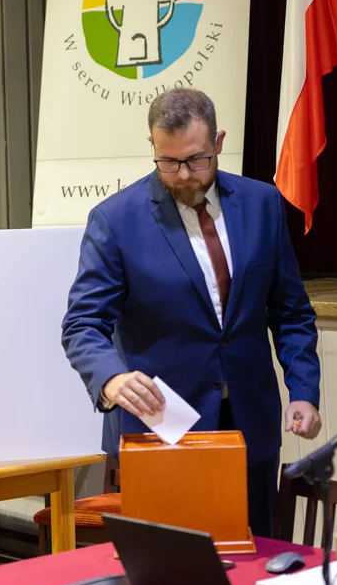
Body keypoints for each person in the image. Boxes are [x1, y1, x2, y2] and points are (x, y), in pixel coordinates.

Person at [62, 88, 321, 537]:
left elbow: (291, 311)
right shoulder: (116, 220)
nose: (183, 175)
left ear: (218, 142)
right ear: (152, 145)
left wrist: (303, 390)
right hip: (164, 431)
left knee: (257, 557)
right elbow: (82, 323)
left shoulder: (262, 204)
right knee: (173, 569)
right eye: (169, 162)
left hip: (250, 425)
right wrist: (111, 378)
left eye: (197, 160)